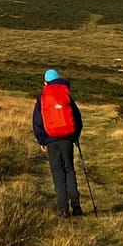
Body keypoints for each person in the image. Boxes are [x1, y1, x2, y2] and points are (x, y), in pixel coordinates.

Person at [30, 68, 85, 217]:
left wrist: (42, 140)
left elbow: (37, 122)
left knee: (57, 173)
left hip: (51, 141)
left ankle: (63, 209)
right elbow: (77, 118)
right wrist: (75, 136)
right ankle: (76, 205)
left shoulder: (42, 98)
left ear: (45, 82)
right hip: (67, 139)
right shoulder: (66, 95)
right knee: (69, 170)